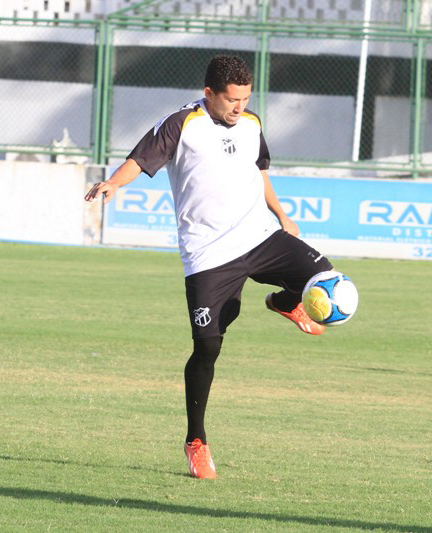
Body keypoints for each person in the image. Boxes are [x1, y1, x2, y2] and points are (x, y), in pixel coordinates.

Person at [84, 55, 334, 479]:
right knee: (208, 347)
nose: (239, 107)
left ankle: (285, 302)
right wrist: (112, 182)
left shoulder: (252, 124)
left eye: (245, 98)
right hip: (209, 255)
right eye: (231, 100)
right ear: (209, 94)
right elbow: (140, 160)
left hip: (258, 236)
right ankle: (196, 440)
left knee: (325, 275)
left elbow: (259, 171)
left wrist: (281, 215)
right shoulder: (182, 124)